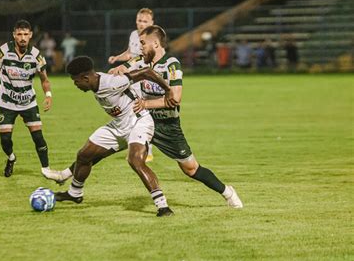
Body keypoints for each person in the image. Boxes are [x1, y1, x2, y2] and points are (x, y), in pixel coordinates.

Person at [53, 26, 243, 209]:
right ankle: (71, 183)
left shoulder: (171, 65)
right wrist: (113, 73)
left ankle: (227, 192)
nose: (140, 47)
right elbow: (116, 73)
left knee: (191, 169)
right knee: (94, 152)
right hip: (138, 121)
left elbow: (175, 99)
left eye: (143, 43)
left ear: (156, 44)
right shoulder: (140, 61)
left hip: (166, 125)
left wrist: (147, 103)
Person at [54, 56, 178, 217]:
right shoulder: (95, 80)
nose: (75, 84)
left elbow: (147, 72)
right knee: (84, 155)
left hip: (138, 122)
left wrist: (168, 91)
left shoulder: (112, 83)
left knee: (135, 161)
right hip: (119, 125)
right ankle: (75, 193)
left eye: (75, 81)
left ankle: (163, 206)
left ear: (85, 78)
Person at [0, 20, 58, 180]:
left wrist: (48, 96)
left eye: (26, 34)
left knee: (38, 137)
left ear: (31, 35)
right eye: (19, 34)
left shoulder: (36, 56)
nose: (23, 38)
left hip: (28, 103)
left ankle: (46, 169)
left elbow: (44, 79)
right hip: (6, 103)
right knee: (5, 140)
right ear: (14, 35)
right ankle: (11, 157)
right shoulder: (3, 52)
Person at [108, 7, 156, 162]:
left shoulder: (153, 37)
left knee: (145, 113)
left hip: (147, 79)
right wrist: (117, 58)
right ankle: (139, 146)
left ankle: (146, 149)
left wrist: (125, 67)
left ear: (151, 22)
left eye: (145, 21)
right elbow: (130, 53)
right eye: (139, 20)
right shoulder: (134, 35)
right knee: (135, 111)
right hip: (133, 80)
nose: (141, 24)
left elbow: (145, 59)